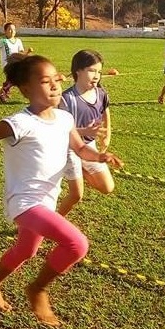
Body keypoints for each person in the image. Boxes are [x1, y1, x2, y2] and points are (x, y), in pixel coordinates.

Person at [0, 55, 123, 327]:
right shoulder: (20, 123)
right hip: (24, 202)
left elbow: (80, 148)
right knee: (77, 244)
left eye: (56, 80)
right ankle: (37, 289)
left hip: (46, 202)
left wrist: (101, 157)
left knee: (26, 250)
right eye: (44, 82)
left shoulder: (64, 117)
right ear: (26, 90)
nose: (54, 86)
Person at [57, 50, 115, 217]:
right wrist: (84, 131)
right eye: (91, 70)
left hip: (88, 146)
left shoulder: (101, 93)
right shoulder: (66, 99)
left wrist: (107, 134)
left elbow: (106, 111)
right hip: (70, 147)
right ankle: (53, 223)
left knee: (107, 187)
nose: (96, 75)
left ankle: (80, 169)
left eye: (99, 71)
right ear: (78, 71)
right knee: (76, 195)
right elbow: (61, 130)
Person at [0, 22, 33, 103]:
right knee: (16, 79)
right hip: (7, 64)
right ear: (5, 31)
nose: (12, 31)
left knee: (14, 80)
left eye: (14, 29)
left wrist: (27, 52)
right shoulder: (3, 41)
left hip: (16, 64)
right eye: (9, 29)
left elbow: (21, 53)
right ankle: (3, 93)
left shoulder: (18, 41)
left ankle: (1, 93)